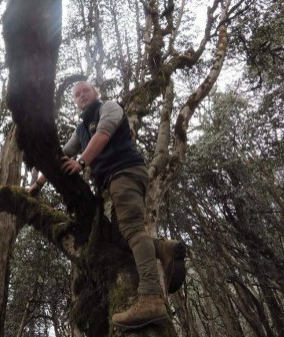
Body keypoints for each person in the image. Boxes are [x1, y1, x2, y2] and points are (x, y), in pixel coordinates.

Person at [29, 81, 186, 329]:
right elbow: (61, 156)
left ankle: (151, 298)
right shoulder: (81, 128)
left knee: (133, 228)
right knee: (120, 238)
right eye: (77, 94)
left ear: (96, 93)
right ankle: (163, 249)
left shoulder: (109, 107)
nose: (81, 96)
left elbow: (103, 134)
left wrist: (81, 163)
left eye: (85, 91)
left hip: (125, 170)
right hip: (111, 183)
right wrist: (36, 185)